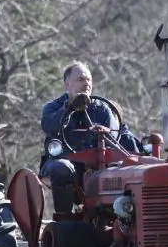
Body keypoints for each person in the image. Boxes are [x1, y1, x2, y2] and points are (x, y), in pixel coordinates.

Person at [39, 61, 145, 213]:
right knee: (61, 168)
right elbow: (49, 126)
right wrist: (69, 107)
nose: (86, 83)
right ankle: (65, 217)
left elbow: (119, 134)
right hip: (67, 161)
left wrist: (139, 153)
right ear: (67, 84)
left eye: (89, 80)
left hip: (100, 161)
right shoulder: (53, 107)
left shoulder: (102, 107)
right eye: (81, 79)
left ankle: (124, 213)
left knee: (128, 167)